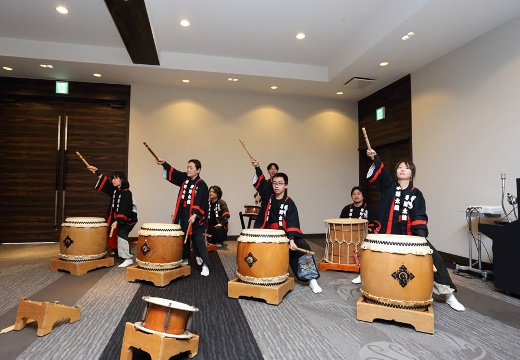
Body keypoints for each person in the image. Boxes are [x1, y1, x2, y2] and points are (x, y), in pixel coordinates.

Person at [364, 149, 465, 311]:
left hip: (410, 237)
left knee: (434, 258)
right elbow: (381, 172)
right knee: (374, 256)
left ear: (412, 174)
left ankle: (448, 296)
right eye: (399, 167)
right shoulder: (388, 187)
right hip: (387, 235)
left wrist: (421, 238)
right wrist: (374, 157)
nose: (402, 169)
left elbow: (419, 215)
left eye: (406, 167)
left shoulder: (416, 194)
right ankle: (373, 286)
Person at [254, 172, 322, 294]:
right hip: (270, 233)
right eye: (274, 183)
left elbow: (292, 222)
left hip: (286, 233)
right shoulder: (268, 199)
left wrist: (291, 240)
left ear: (286, 186)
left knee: (302, 246)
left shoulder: (289, 203)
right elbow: (262, 186)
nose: (276, 186)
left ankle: (311, 279)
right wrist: (257, 168)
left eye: (280, 183)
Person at [156, 158, 210, 276]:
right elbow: (174, 172)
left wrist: (195, 214)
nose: (188, 170)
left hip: (197, 215)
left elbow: (202, 200)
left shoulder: (201, 184)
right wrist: (164, 164)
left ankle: (205, 264)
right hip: (184, 213)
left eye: (191, 168)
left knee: (199, 239)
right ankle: (184, 258)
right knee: (183, 236)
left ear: (198, 170)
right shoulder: (185, 179)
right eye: (187, 167)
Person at [87, 166, 138, 268]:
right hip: (117, 218)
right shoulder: (115, 191)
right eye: (113, 178)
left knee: (121, 233)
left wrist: (118, 221)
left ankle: (128, 258)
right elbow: (106, 184)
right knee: (111, 233)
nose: (113, 180)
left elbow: (125, 209)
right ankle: (118, 251)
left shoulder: (126, 193)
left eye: (116, 178)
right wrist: (96, 171)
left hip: (128, 219)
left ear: (122, 179)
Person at [339, 186, 375, 284]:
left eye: (359, 194)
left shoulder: (369, 208)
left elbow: (373, 223)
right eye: (354, 194)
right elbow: (340, 222)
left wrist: (368, 229)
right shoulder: (347, 209)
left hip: (364, 235)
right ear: (351, 196)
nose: (356, 196)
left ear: (363, 196)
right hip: (348, 236)